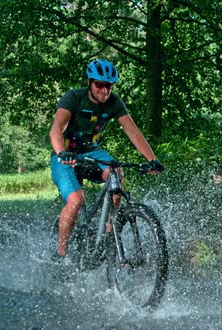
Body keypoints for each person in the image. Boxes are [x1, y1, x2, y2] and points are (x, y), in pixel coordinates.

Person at [49, 59, 164, 259]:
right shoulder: (73, 98)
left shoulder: (113, 102)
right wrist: (61, 152)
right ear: (89, 83)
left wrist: (152, 159)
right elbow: (56, 129)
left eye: (109, 86)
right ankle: (60, 254)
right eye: (99, 85)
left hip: (93, 152)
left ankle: (109, 236)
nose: (105, 90)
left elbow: (133, 131)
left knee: (116, 175)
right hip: (67, 155)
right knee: (76, 201)